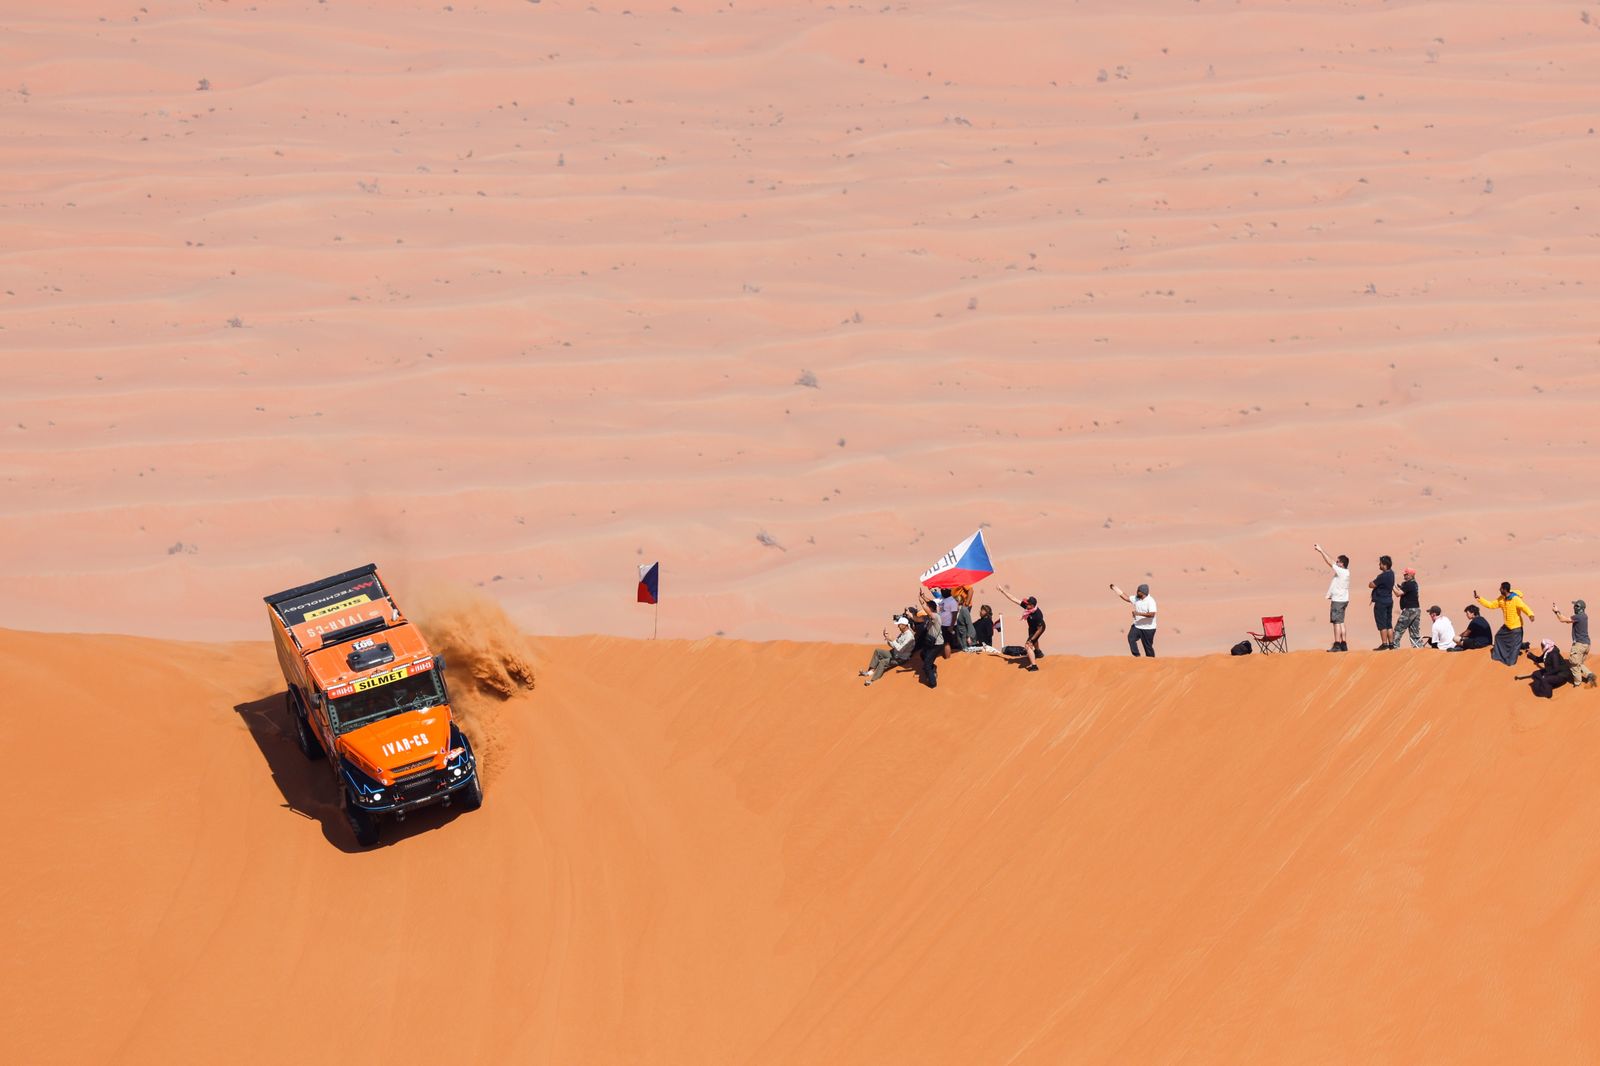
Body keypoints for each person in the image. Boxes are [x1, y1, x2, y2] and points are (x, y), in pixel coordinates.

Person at [1476, 582, 1535, 666]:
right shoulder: (1501, 599)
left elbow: (1524, 607)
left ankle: (1511, 663)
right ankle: (1498, 657)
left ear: (1504, 589)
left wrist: (1531, 615)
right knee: (1498, 637)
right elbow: (1491, 605)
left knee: (1514, 648)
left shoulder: (1515, 599)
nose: (1499, 589)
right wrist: (1480, 599)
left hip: (1516, 628)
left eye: (1500, 588)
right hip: (1507, 626)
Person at [998, 584, 1044, 671]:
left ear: (1033, 605)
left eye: (1029, 604)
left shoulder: (1037, 615)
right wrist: (1003, 591)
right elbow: (1014, 599)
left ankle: (1034, 666)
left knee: (1028, 645)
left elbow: (1040, 629)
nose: (1026, 604)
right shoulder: (1028, 607)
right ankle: (1038, 652)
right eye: (1027, 603)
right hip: (1032, 628)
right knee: (1034, 640)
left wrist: (1031, 640)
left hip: (1039, 629)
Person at [1314, 544, 1351, 652]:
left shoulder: (1341, 571)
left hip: (1338, 601)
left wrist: (1321, 551)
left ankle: (1337, 644)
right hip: (1343, 600)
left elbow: (1329, 562)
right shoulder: (1346, 571)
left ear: (1342, 564)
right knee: (1341, 621)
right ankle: (1343, 643)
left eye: (1338, 561)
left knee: (1336, 622)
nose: (1336, 562)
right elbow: (1333, 562)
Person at [861, 617, 916, 686]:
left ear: (904, 625)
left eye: (899, 625)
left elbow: (900, 649)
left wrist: (892, 640)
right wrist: (888, 639)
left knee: (883, 662)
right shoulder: (902, 633)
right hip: (894, 653)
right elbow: (894, 645)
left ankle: (872, 680)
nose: (898, 626)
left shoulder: (909, 636)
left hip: (900, 658)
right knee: (877, 651)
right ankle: (870, 672)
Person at [1551, 599, 1594, 687]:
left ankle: (1577, 684)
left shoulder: (1578, 617)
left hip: (1579, 645)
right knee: (1579, 663)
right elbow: (1567, 621)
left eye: (1575, 606)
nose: (1573, 607)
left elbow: (1562, 620)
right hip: (1587, 644)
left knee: (1574, 665)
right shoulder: (1584, 616)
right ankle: (1589, 674)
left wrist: (1556, 612)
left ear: (1578, 608)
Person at [1110, 582, 1157, 657]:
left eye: (1138, 591)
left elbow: (1152, 614)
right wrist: (1115, 589)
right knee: (1131, 638)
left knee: (1148, 647)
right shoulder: (1136, 598)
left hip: (1149, 628)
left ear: (1143, 593)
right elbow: (1126, 598)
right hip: (1137, 626)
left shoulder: (1150, 601)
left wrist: (1138, 614)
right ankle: (1137, 656)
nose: (1136, 592)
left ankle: (1152, 663)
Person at [914, 587, 945, 687]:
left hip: (937, 644)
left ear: (931, 609)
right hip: (931, 642)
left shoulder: (935, 616)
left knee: (926, 665)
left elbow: (927, 609)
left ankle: (932, 683)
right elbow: (930, 604)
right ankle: (933, 667)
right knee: (923, 654)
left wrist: (921, 600)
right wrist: (923, 597)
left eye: (928, 607)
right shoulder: (933, 615)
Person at [1391, 567, 1424, 648]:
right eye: (1404, 574)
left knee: (1398, 629)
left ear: (1412, 575)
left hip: (1409, 610)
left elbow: (1398, 594)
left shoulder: (1409, 584)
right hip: (1416, 610)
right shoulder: (1413, 584)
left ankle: (1394, 649)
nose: (1405, 576)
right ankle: (1418, 648)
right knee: (1414, 632)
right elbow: (1404, 590)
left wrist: (1392, 587)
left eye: (1406, 574)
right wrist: (1398, 586)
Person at [1368, 555, 1396, 650]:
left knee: (1382, 623)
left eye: (1380, 563)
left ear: (1384, 565)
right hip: (1389, 600)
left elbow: (1371, 585)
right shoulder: (1392, 573)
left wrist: (1372, 583)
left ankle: (1384, 644)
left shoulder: (1382, 576)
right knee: (1389, 623)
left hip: (1381, 601)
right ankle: (1391, 644)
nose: (1379, 565)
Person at [953, 586, 977, 651]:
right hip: (960, 637)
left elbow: (969, 624)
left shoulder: (964, 610)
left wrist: (969, 637)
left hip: (966, 638)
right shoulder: (956, 611)